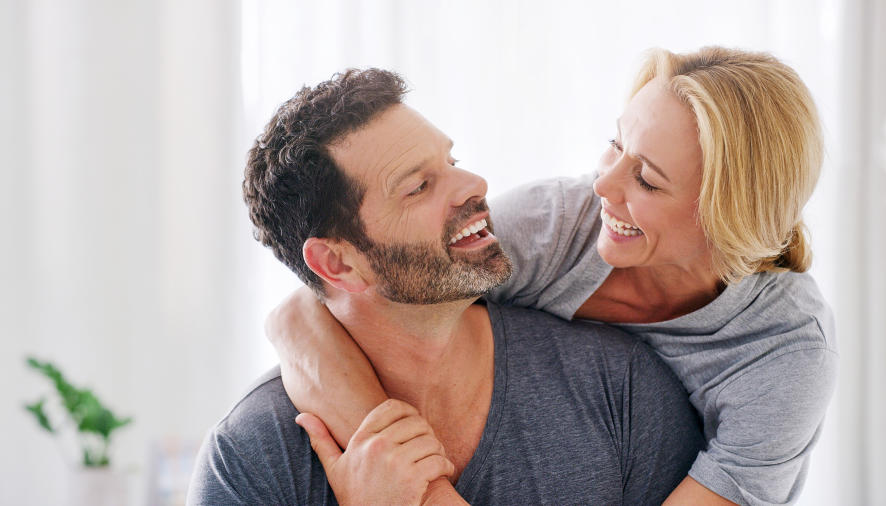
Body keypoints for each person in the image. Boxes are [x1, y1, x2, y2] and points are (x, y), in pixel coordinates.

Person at [267, 47, 838, 505]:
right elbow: (304, 313)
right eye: (616, 144)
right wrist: (402, 478)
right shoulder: (559, 226)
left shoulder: (783, 354)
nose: (602, 187)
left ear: (725, 216)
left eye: (648, 180)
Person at [187, 68, 703, 505]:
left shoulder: (618, 388)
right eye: (418, 187)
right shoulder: (252, 457)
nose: (474, 185)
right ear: (337, 264)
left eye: (451, 162)